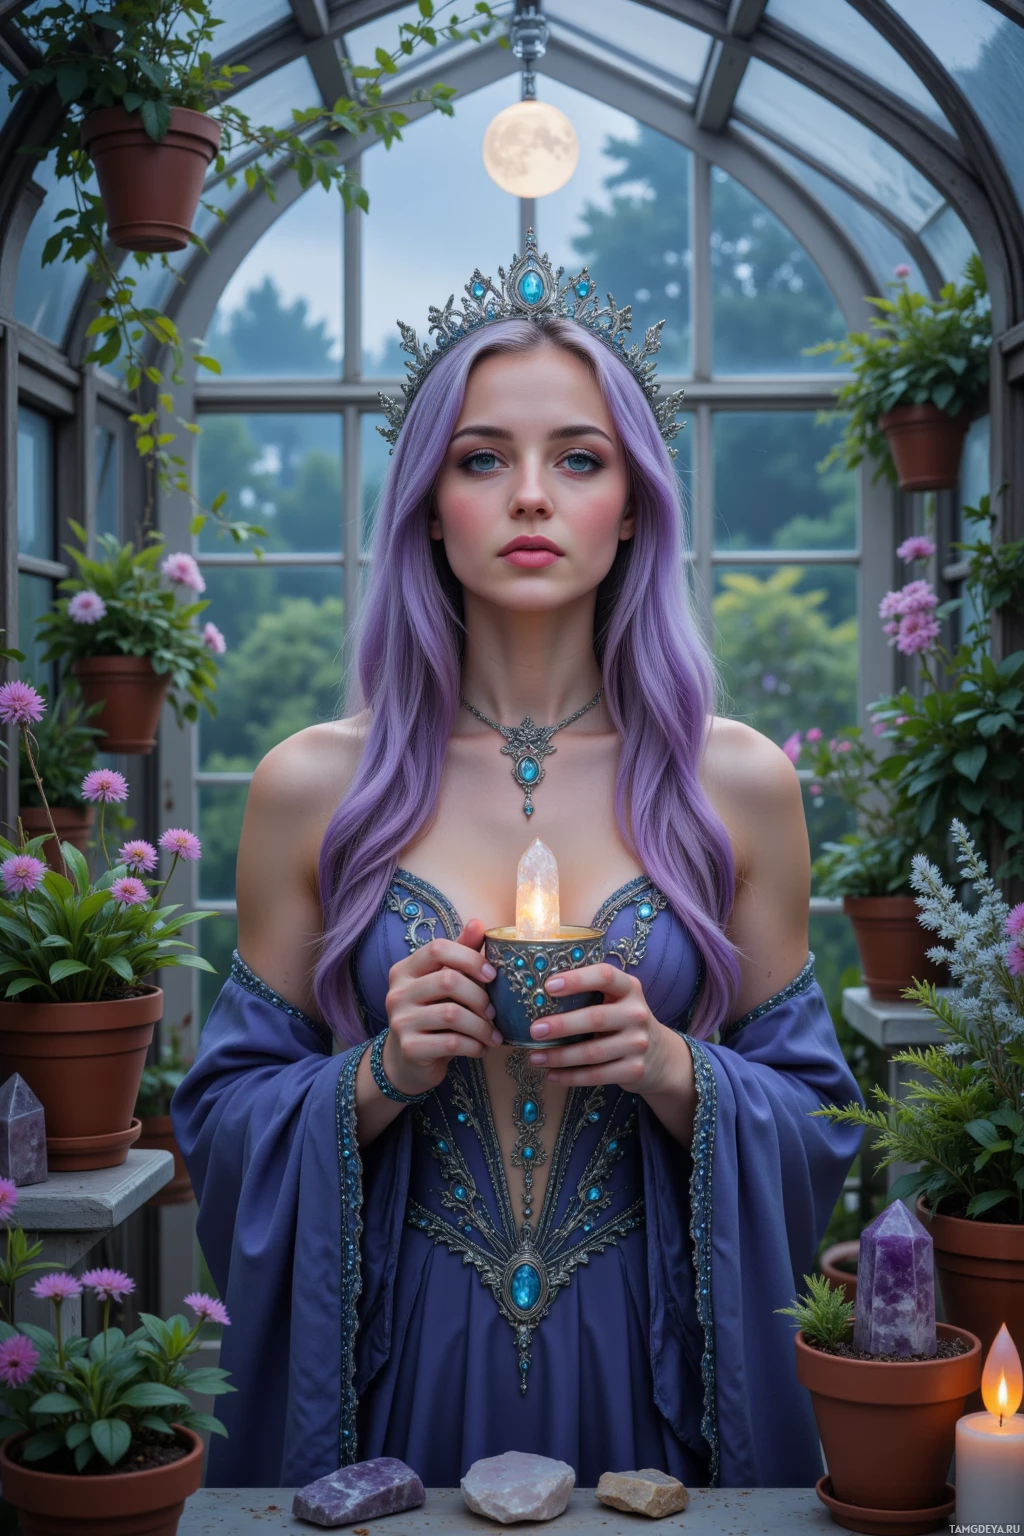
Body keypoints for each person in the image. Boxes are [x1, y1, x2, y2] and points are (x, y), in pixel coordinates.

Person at [171, 233, 864, 1493]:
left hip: (656, 1368)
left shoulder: (737, 781)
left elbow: (817, 1119)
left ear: (635, 504)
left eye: (578, 459)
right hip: (395, 1365)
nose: (531, 496)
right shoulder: (311, 786)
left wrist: (672, 1069)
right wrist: (379, 1072)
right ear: (429, 509)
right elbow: (218, 1126)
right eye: (482, 458)